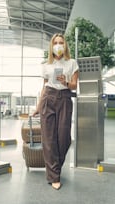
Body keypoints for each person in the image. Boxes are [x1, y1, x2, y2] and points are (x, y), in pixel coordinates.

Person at [32, 33, 79, 190]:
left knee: (64, 138)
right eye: (55, 43)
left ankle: (54, 169)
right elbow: (44, 87)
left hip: (65, 98)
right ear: (51, 46)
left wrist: (65, 82)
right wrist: (38, 107)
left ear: (65, 45)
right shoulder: (46, 65)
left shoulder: (72, 63)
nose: (58, 45)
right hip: (48, 99)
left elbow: (74, 85)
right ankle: (54, 176)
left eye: (61, 42)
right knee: (49, 139)